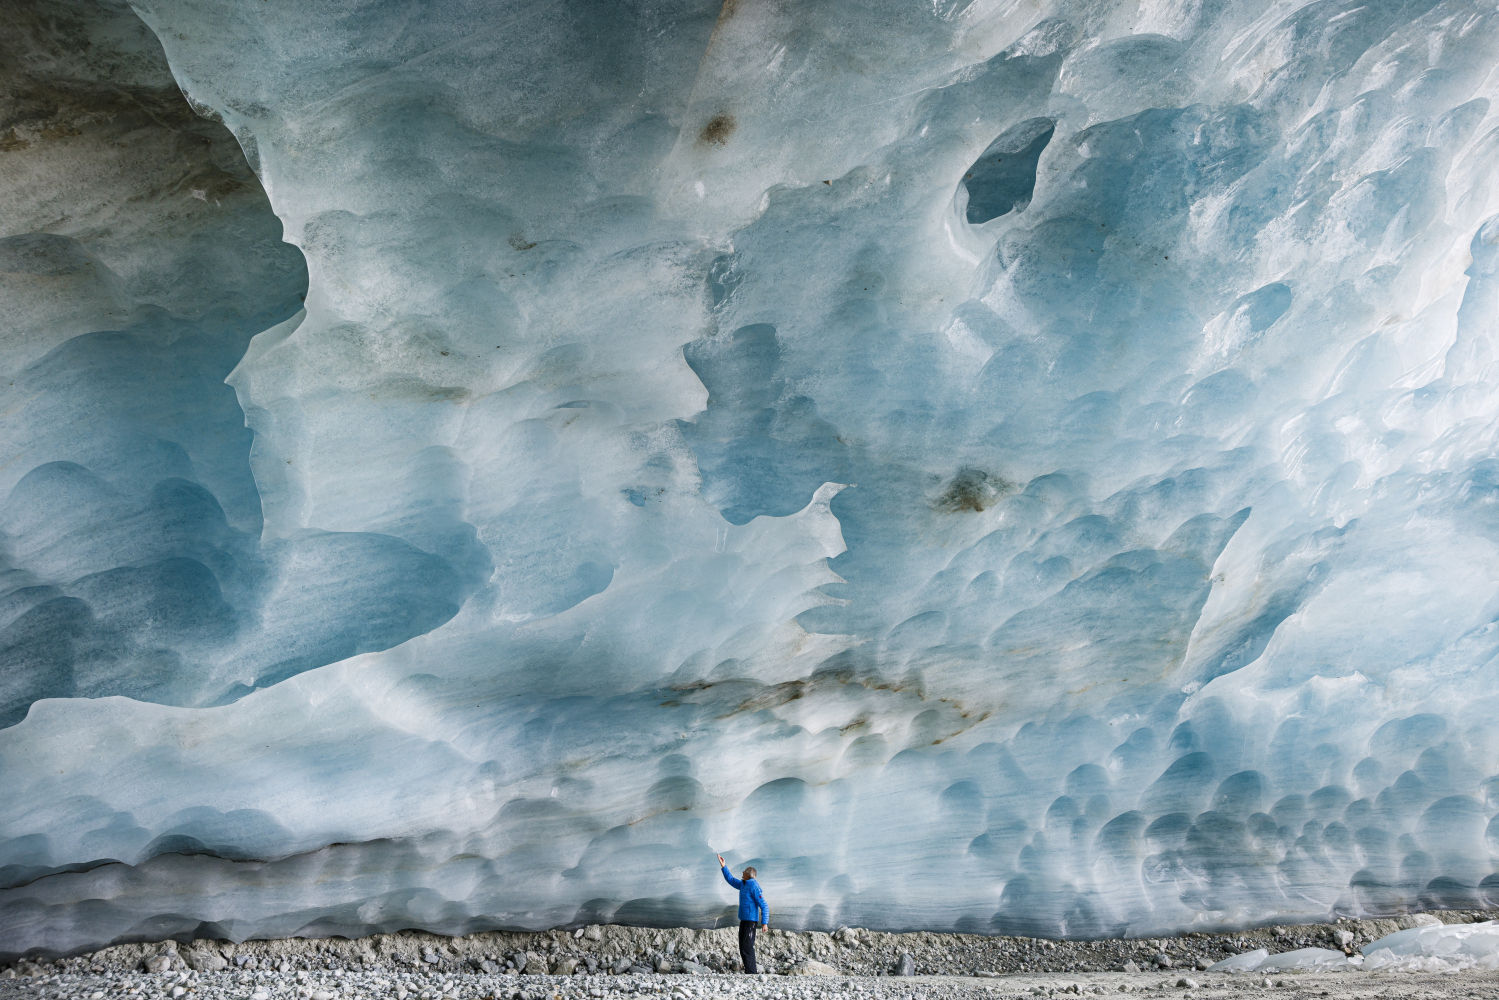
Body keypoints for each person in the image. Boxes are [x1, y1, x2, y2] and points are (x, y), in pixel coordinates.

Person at [717, 852, 769, 973]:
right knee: (742, 946)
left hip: (751, 921)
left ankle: (752, 973)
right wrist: (723, 866)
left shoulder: (754, 887)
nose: (742, 873)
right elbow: (730, 880)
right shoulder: (743, 884)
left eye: (744, 872)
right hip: (744, 920)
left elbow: (764, 905)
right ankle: (749, 971)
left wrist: (764, 923)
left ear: (749, 875)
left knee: (747, 946)